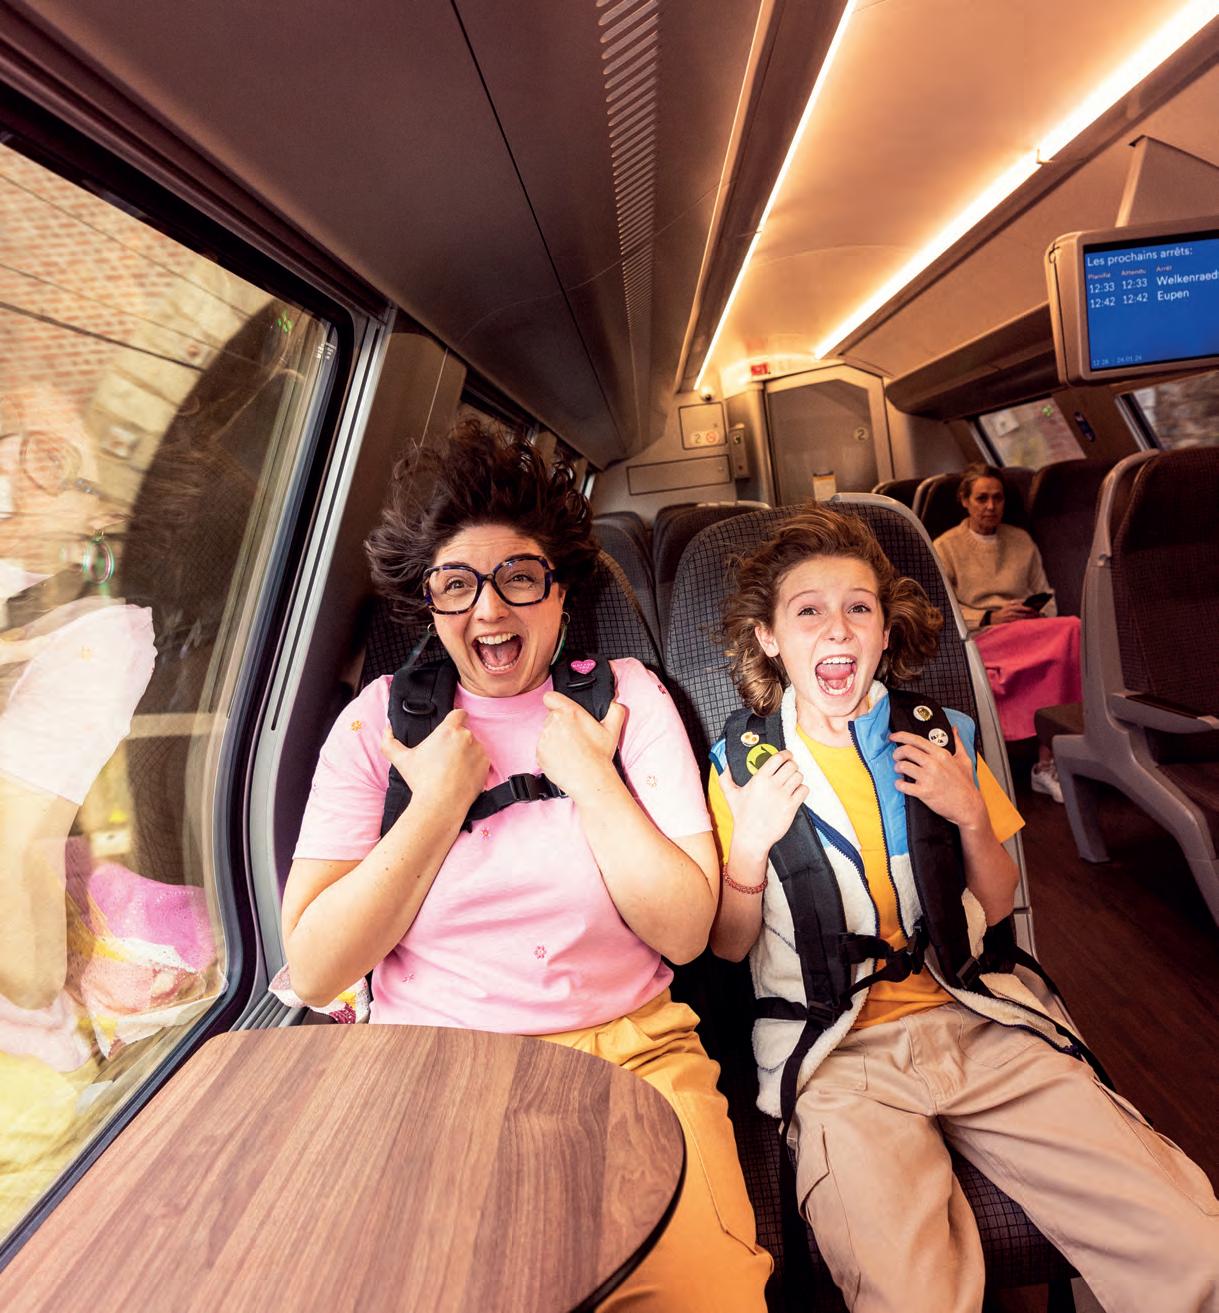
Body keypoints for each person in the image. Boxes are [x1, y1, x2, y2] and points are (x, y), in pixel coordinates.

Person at [282, 421, 771, 1311]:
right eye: (456, 583)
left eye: (517, 576)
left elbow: (683, 932)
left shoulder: (628, 700)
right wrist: (434, 805)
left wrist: (593, 779)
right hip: (432, 1071)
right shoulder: (374, 726)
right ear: (428, 600)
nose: (489, 610)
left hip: (632, 1056)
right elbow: (315, 967)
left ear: (559, 588)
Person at [707, 504, 1219, 1313]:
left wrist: (970, 813)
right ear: (768, 637)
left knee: (1190, 1243)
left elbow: (998, 898)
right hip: (838, 1056)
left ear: (883, 632)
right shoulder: (740, 767)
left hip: (976, 1019)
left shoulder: (941, 734)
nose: (836, 628)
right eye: (808, 611)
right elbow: (729, 948)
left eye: (858, 607)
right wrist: (747, 850)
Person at [933, 464, 1080, 802]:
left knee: (1072, 628)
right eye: (981, 498)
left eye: (997, 498)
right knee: (1061, 640)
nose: (990, 506)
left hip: (1026, 631)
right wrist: (990, 616)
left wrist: (1033, 610)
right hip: (982, 636)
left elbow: (1047, 596)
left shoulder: (1021, 541)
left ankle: (1046, 764)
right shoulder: (945, 547)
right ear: (965, 501)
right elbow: (941, 611)